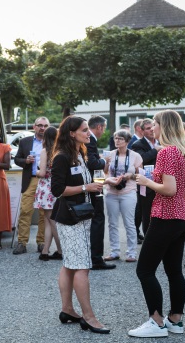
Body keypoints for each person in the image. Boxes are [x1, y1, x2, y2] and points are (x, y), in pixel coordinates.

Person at [129, 110, 185, 338]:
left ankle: (156, 321)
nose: (152, 129)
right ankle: (175, 321)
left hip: (166, 218)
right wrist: (176, 188)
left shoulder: (167, 153)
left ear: (164, 126)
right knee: (173, 271)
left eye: (155, 125)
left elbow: (169, 190)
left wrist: (147, 181)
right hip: (183, 218)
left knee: (145, 270)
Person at [50, 116, 119, 334]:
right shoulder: (62, 157)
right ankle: (89, 317)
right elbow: (57, 190)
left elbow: (85, 181)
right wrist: (85, 188)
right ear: (71, 133)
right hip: (70, 218)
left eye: (88, 130)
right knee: (82, 267)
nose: (89, 133)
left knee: (70, 263)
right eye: (84, 130)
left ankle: (67, 309)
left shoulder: (80, 153)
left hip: (81, 215)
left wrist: (105, 181)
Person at [102, 129, 142, 262]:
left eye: (120, 139)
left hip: (128, 191)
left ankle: (131, 253)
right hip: (111, 191)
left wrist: (130, 175)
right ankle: (114, 251)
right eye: (115, 138)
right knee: (112, 223)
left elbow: (141, 175)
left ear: (127, 141)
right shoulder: (110, 154)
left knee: (129, 223)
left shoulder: (135, 156)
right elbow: (104, 173)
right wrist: (106, 163)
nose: (117, 141)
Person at [13, 117, 48, 255]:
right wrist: (25, 160)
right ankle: (22, 242)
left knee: (44, 213)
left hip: (46, 181)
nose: (42, 128)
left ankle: (41, 242)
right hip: (31, 179)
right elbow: (16, 159)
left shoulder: (52, 142)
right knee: (25, 210)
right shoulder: (25, 142)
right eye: (40, 125)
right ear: (34, 127)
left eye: (45, 126)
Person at [86, 115, 115, 270]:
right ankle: (96, 259)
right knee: (98, 220)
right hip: (93, 184)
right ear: (99, 127)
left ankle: (93, 256)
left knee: (96, 220)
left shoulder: (89, 139)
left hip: (94, 182)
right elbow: (93, 163)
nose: (103, 131)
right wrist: (105, 160)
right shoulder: (90, 139)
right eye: (104, 128)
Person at [34, 126, 62, 261]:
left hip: (46, 187)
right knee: (48, 220)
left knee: (51, 221)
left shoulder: (45, 151)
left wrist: (36, 172)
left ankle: (61, 250)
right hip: (55, 186)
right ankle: (45, 251)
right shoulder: (59, 151)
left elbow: (43, 172)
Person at [132, 118, 163, 236]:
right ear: (142, 131)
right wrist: (155, 150)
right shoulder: (138, 144)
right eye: (147, 128)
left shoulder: (161, 141)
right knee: (146, 213)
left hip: (161, 183)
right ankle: (148, 237)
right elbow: (141, 159)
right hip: (147, 184)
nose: (151, 130)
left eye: (152, 127)